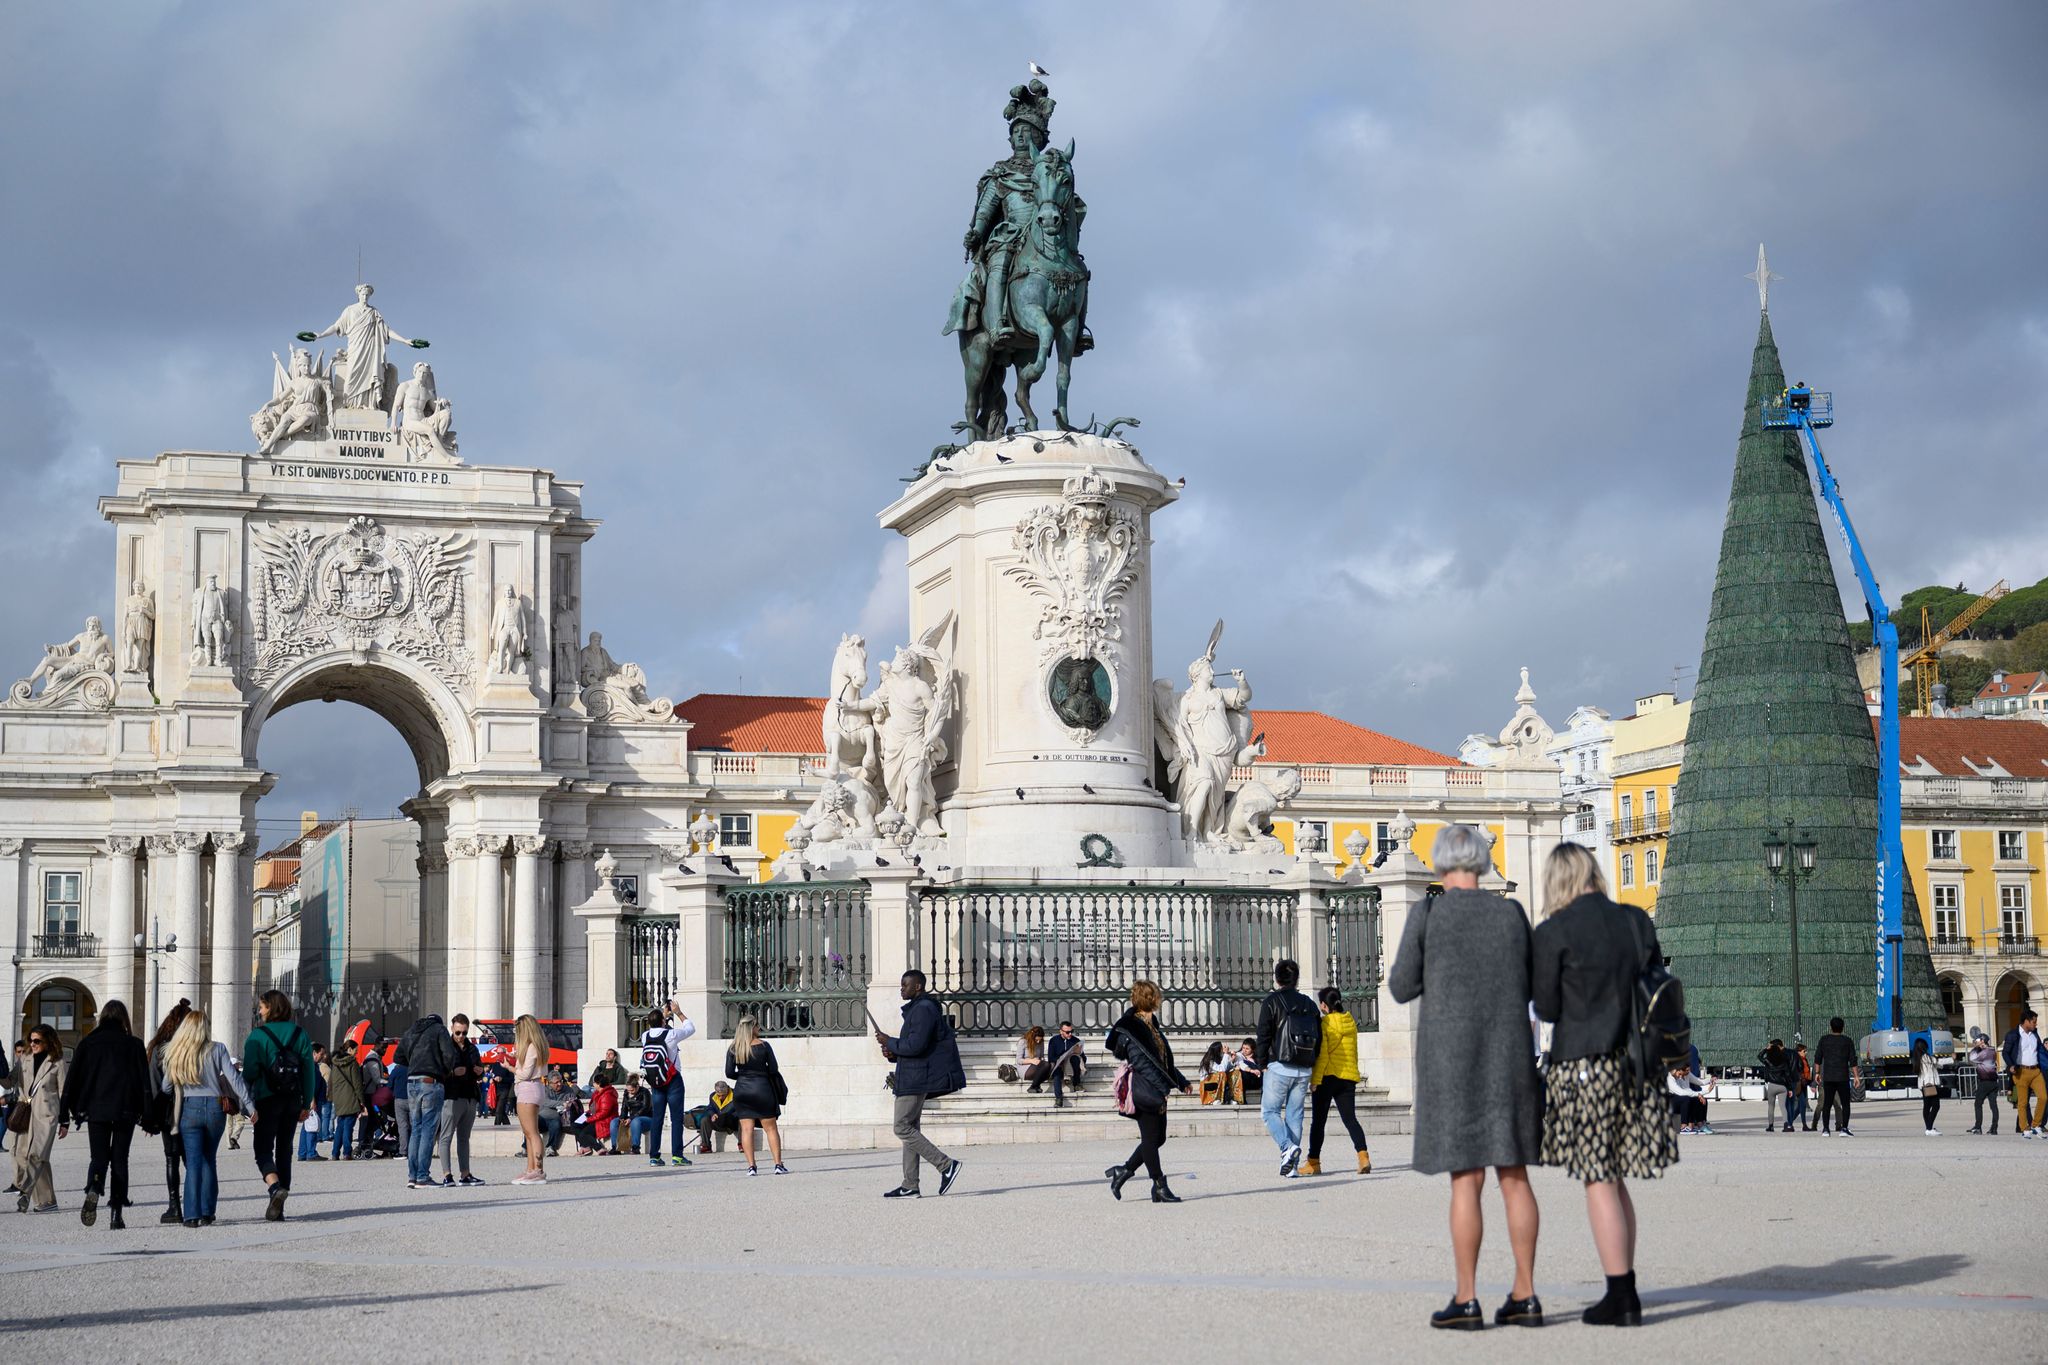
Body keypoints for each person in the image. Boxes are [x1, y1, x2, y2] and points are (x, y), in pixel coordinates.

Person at [1389, 823, 1544, 1331]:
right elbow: (1538, 985)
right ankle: (1525, 1293)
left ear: (1439, 865)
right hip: (1509, 1057)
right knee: (1514, 1177)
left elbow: (1401, 986)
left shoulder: (1427, 914)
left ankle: (1467, 1297)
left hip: (1451, 1061)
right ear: (1479, 862)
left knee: (1466, 1180)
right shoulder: (1511, 913)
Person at [1532, 842, 1678, 1329]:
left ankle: (1621, 1295)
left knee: (1599, 1177)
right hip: (1637, 1065)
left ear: (1558, 881)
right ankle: (1625, 1285)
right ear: (1594, 872)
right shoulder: (1637, 921)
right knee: (1615, 1179)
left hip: (1584, 1065)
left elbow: (1547, 1009)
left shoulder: (1554, 931)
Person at [60, 999, 150, 1230]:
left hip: (96, 1110)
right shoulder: (134, 1044)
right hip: (125, 1110)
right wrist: (148, 1115)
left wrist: (66, 1113)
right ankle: (116, 1215)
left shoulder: (88, 1043)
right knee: (120, 1160)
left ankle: (93, 1187)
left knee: (98, 1158)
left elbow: (72, 1081)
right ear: (124, 1019)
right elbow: (144, 1084)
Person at [875, 970, 965, 1197]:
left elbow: (916, 1045)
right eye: (901, 984)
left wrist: (890, 1041)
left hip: (916, 1078)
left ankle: (945, 1165)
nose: (901, 989)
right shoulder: (919, 1009)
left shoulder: (923, 1009)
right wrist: (892, 1052)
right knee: (911, 1129)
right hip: (912, 1074)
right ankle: (910, 1185)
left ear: (918, 987)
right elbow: (914, 1046)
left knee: (901, 1127)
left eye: (905, 985)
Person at [161, 1009, 254, 1227]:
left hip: (189, 1108)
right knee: (209, 1160)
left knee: (193, 1163)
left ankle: (191, 1216)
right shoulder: (218, 1049)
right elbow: (234, 1080)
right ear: (205, 1028)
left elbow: (166, 1086)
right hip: (215, 1107)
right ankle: (208, 1211)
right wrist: (249, 1106)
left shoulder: (177, 1051)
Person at [1104, 980, 1192, 1204]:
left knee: (1158, 1138)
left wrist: (1180, 1082)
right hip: (1145, 1089)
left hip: (1154, 1087)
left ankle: (1123, 1171)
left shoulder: (1150, 1024)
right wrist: (1161, 1088)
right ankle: (1159, 1185)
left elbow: (1162, 1061)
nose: (1160, 999)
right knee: (1151, 1139)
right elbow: (1142, 1063)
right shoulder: (1131, 1027)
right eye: (1157, 995)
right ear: (1150, 998)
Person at [242, 990, 317, 1222]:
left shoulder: (258, 1036)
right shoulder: (300, 1033)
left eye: (262, 1007)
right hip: (293, 1099)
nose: (260, 1011)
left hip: (267, 1098)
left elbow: (251, 1072)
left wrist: (246, 1101)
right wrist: (307, 1102)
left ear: (271, 1008)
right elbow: (308, 1071)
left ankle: (274, 1188)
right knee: (285, 1149)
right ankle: (280, 1207)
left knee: (263, 1149)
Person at [1253, 958, 1320, 1177]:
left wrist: (1261, 1063)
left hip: (1279, 1065)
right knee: (1295, 1116)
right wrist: (1312, 1062)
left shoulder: (1272, 1001)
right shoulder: (1309, 1004)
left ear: (1277, 978)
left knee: (1270, 1111)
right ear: (1297, 978)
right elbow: (1319, 1038)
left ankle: (1286, 1147)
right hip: (1304, 1067)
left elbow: (1263, 1035)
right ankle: (1292, 1166)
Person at [1303, 986, 1372, 1176]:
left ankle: (1313, 1163)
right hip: (1347, 1077)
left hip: (1327, 1077)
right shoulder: (1350, 1022)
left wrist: (1315, 1080)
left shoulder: (1325, 1024)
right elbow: (1353, 1053)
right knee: (1350, 1119)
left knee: (1318, 1122)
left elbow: (1323, 1055)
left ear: (1324, 1005)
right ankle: (1363, 1156)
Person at [394, 1012, 459, 1191]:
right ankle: (423, 1176)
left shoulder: (410, 1031)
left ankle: (412, 1176)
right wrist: (443, 1070)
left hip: (411, 1083)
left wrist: (415, 1062)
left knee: (416, 1129)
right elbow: (449, 1056)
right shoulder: (439, 1030)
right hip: (431, 1082)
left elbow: (397, 1058)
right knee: (429, 1130)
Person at [143, 1000, 193, 1222]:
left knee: (172, 1158)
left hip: (169, 1112)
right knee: (192, 1160)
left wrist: (151, 1115)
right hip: (194, 1109)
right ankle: (196, 1204)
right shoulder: (197, 1047)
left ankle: (175, 1207)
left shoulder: (159, 1049)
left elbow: (154, 1085)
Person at [10, 1026, 66, 1213]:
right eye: (31, 1040)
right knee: (25, 1155)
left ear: (48, 1041)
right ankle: (48, 1201)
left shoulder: (57, 1062)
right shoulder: (25, 1059)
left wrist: (65, 1121)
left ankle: (25, 1192)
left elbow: (64, 1093)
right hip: (26, 1113)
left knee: (37, 1154)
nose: (32, 1044)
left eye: (37, 1041)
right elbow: (10, 1081)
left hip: (46, 1116)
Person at [725, 1015, 789, 1176]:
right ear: (752, 1028)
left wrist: (743, 1076)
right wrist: (759, 1073)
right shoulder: (764, 1046)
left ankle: (751, 1166)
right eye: (758, 1026)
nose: (759, 1029)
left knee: (746, 1130)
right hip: (762, 1089)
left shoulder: (734, 1048)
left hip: (742, 1091)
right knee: (771, 1129)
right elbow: (773, 1069)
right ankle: (778, 1164)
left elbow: (729, 1072)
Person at [636, 998, 697, 1168]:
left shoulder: (645, 1036)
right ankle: (677, 1155)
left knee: (657, 1118)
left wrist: (662, 1015)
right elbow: (690, 1028)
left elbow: (656, 1029)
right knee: (676, 1118)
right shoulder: (670, 1035)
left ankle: (654, 1156)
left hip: (655, 1081)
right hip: (673, 1079)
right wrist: (677, 1013)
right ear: (663, 1021)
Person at [436, 1014, 485, 1186]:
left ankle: (465, 1174)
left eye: (464, 1033)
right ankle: (447, 1174)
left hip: (470, 1096)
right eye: (458, 1032)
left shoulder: (472, 1048)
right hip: (451, 1096)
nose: (461, 1036)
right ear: (452, 1029)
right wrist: (452, 1073)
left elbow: (480, 1066)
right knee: (446, 1136)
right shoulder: (445, 1047)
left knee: (464, 1138)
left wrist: (481, 1070)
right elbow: (438, 1071)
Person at [511, 1015, 550, 1185]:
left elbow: (525, 1073)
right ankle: (530, 1168)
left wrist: (509, 1067)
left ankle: (538, 1170)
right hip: (531, 1088)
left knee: (532, 1132)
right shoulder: (536, 1046)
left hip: (528, 1088)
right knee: (528, 1132)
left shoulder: (532, 1047)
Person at [1815, 1017, 1858, 1137]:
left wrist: (1817, 1073)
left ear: (1830, 1027)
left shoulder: (1824, 1040)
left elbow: (1818, 1058)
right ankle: (1844, 1128)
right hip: (1842, 1076)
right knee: (1845, 1104)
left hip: (1828, 1076)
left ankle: (1825, 1129)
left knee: (1827, 1104)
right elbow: (1853, 1060)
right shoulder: (1847, 1041)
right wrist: (1856, 1076)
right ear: (1842, 1028)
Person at [327, 1039, 366, 1159]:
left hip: (338, 1099)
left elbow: (331, 1082)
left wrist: (331, 1097)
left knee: (340, 1126)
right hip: (350, 1098)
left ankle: (335, 1153)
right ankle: (347, 1152)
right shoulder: (352, 1063)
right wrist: (362, 1101)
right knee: (348, 1126)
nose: (356, 1053)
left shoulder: (334, 1063)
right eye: (355, 1050)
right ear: (349, 1050)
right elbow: (357, 1084)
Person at [299, 1042, 331, 1162]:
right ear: (314, 1053)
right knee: (313, 1125)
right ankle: (311, 1153)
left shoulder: (313, 1065)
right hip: (312, 1100)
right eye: (321, 1054)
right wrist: (312, 1100)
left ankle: (303, 1152)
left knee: (306, 1126)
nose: (323, 1056)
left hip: (313, 1099)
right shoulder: (310, 1066)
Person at [1967, 1030, 2001, 1135]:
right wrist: (1979, 1046)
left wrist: (1976, 1047)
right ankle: (1994, 1128)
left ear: (1983, 1040)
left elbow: (1971, 1058)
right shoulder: (1991, 1050)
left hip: (1985, 1082)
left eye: (1977, 1040)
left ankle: (1978, 1127)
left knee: (1978, 1104)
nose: (1975, 1042)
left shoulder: (1986, 1052)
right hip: (1993, 1082)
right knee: (1993, 1105)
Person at [1045, 1020, 1086, 1107]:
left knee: (1075, 1058)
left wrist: (1080, 1053)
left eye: (1071, 1031)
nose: (1070, 1034)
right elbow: (1051, 1058)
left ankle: (1076, 1084)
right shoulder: (1054, 1040)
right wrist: (1061, 1060)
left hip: (1071, 1065)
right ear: (1061, 1031)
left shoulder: (1075, 1040)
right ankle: (1059, 1098)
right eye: (1067, 1032)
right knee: (1057, 1073)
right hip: (1058, 1064)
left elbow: (1084, 1059)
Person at [1757, 1039, 1795, 1133]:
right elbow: (1788, 1075)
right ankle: (1786, 1124)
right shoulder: (1784, 1060)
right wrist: (1790, 1088)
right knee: (1783, 1107)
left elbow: (1759, 1056)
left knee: (1771, 1106)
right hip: (1782, 1086)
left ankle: (1771, 1126)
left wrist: (1766, 1049)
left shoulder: (1768, 1061)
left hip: (1772, 1085)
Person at [690, 1081, 739, 1153]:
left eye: (723, 1095)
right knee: (705, 1119)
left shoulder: (736, 1095)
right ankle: (706, 1145)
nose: (721, 1097)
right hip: (719, 1122)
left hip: (732, 1122)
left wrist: (728, 1116)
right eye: (719, 1095)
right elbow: (709, 1108)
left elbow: (740, 1110)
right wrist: (712, 1114)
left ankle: (742, 1144)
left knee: (743, 1120)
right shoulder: (712, 1096)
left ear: (727, 1091)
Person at [572, 1079, 618, 1155]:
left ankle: (599, 1148)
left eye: (594, 1082)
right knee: (575, 1125)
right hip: (594, 1117)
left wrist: (589, 1119)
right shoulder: (597, 1093)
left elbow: (603, 1113)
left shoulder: (607, 1095)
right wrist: (587, 1114)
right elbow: (593, 1108)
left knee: (585, 1133)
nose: (592, 1084)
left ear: (598, 1084)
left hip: (604, 1121)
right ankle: (585, 1146)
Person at [1668, 1067, 1712, 1134]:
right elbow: (1681, 1092)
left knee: (1697, 1099)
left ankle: (1700, 1125)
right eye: (1686, 1070)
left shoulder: (1682, 1075)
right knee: (1687, 1099)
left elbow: (1689, 1089)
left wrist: (1699, 1095)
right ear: (1678, 1070)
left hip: (1677, 1098)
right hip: (1669, 1102)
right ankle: (1683, 1127)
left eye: (1689, 1070)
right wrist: (1701, 1093)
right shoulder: (1669, 1078)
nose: (1688, 1072)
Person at [617, 1073, 654, 1154]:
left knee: (636, 1121)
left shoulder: (645, 1092)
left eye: (632, 1090)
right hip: (633, 1117)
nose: (630, 1092)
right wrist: (622, 1117)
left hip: (647, 1118)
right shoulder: (626, 1093)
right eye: (628, 1090)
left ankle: (635, 1147)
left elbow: (645, 1108)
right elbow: (624, 1108)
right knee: (614, 1121)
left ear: (637, 1086)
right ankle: (615, 1147)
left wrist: (631, 1118)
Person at [1913, 1037, 1942, 1136]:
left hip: (1923, 1085)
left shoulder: (1917, 1058)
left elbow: (1935, 1065)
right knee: (1936, 1106)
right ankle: (1929, 1128)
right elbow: (1938, 1062)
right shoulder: (1926, 1057)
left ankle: (1928, 1128)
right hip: (1930, 1084)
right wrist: (1952, 1058)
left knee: (1927, 1106)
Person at [1789, 1041, 1815, 1131]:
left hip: (1804, 1084)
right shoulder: (1796, 1060)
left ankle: (1790, 1123)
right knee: (1802, 1104)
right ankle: (1803, 1125)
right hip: (1798, 1084)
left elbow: (1807, 1072)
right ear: (1798, 1052)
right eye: (1804, 1051)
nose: (1806, 1053)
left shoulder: (1804, 1060)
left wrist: (1810, 1082)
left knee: (1801, 1106)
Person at [1016, 1026, 1050, 1092]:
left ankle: (1035, 1085)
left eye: (1040, 1040)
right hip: (1025, 1068)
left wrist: (1040, 1060)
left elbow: (1041, 1056)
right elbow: (1018, 1060)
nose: (1038, 1042)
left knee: (1050, 1066)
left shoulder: (1041, 1043)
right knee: (1045, 1065)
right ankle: (1034, 1086)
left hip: (1038, 1065)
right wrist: (1031, 1061)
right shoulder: (1023, 1042)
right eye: (1036, 1040)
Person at [487, 1058, 515, 1125]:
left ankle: (496, 1126)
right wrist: (491, 1079)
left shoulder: (509, 1065)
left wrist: (502, 1079)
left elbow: (511, 1079)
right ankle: (507, 1124)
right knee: (500, 1110)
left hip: (505, 1089)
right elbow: (491, 1074)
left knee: (499, 1110)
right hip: (496, 1089)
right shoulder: (495, 1064)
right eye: (498, 1053)